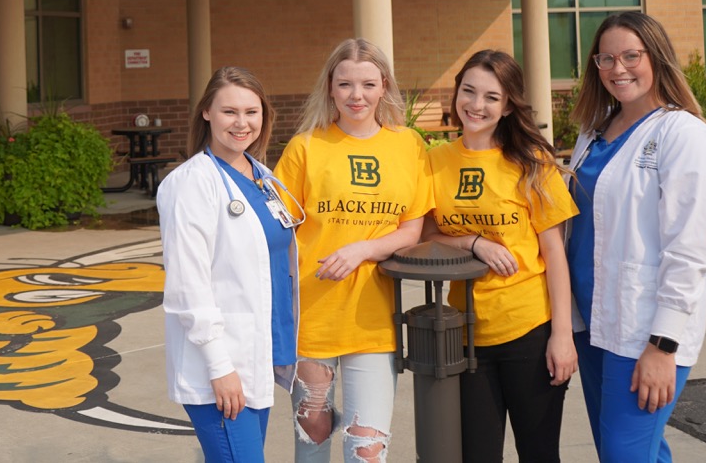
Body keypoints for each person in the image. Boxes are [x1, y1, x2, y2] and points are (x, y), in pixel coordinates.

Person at [565, 12, 706, 462]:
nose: (618, 69)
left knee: (623, 456)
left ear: (657, 57)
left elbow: (689, 251)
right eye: (606, 58)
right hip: (593, 323)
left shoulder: (684, 134)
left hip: (643, 333)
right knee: (638, 453)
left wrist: (663, 345)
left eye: (631, 55)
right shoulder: (593, 131)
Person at [273, 39, 432, 463]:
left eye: (367, 84)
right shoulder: (305, 147)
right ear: (330, 87)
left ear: (384, 86)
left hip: (373, 317)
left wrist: (364, 249)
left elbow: (412, 228)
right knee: (313, 430)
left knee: (367, 445)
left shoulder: (409, 144)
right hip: (312, 314)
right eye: (345, 84)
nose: (356, 96)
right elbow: (275, 230)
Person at [422, 49, 578, 462]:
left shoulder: (531, 163)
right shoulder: (434, 161)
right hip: (465, 335)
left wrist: (562, 335)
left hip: (529, 327)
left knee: (539, 453)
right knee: (476, 456)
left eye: (492, 97)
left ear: (509, 105)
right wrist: (474, 242)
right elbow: (425, 234)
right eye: (468, 92)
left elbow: (555, 255)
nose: (477, 105)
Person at [157, 66, 302, 462]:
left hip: (259, 358)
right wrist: (220, 367)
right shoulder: (190, 184)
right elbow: (188, 287)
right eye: (229, 112)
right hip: (221, 367)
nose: (242, 123)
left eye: (251, 112)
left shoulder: (263, 177)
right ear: (206, 112)